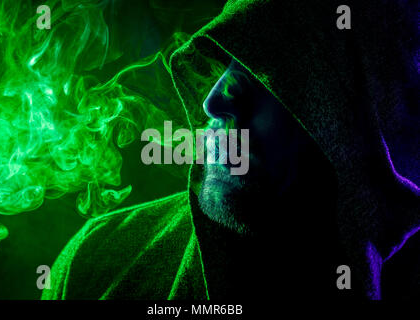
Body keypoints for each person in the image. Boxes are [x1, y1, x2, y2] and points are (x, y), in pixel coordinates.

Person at [42, 0, 419, 300]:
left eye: (267, 72)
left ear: (359, 121)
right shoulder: (97, 262)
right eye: (228, 59)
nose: (213, 102)